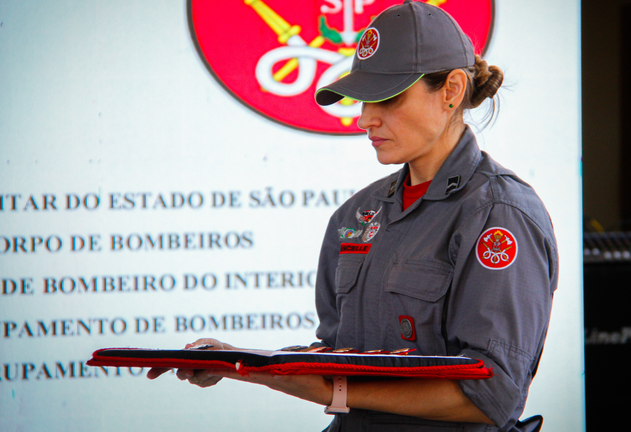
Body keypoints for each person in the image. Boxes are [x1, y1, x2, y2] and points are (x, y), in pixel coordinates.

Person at [148, 1, 558, 431]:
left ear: (452, 90)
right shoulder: (357, 214)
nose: (364, 118)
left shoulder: (500, 214)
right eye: (363, 99)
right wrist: (240, 363)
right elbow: (340, 359)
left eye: (387, 96)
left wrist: (335, 391)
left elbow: (491, 394)